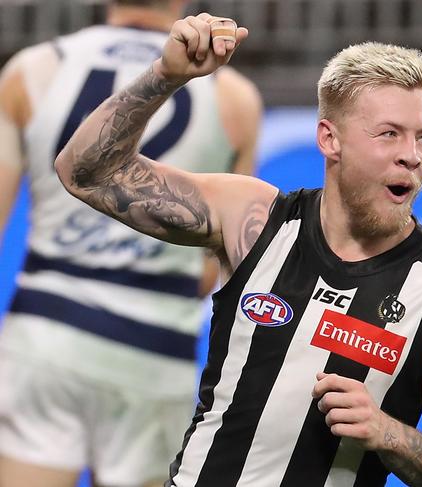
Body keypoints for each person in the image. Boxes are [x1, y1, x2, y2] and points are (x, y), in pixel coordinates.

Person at [53, 12, 422, 487]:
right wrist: (167, 76)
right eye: (389, 133)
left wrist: (389, 434)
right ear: (330, 139)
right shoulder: (255, 221)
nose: (412, 155)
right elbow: (86, 173)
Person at [0, 1, 262, 486]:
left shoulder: (31, 70)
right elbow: (220, 263)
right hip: (154, 349)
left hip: (43, 336)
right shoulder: (235, 98)